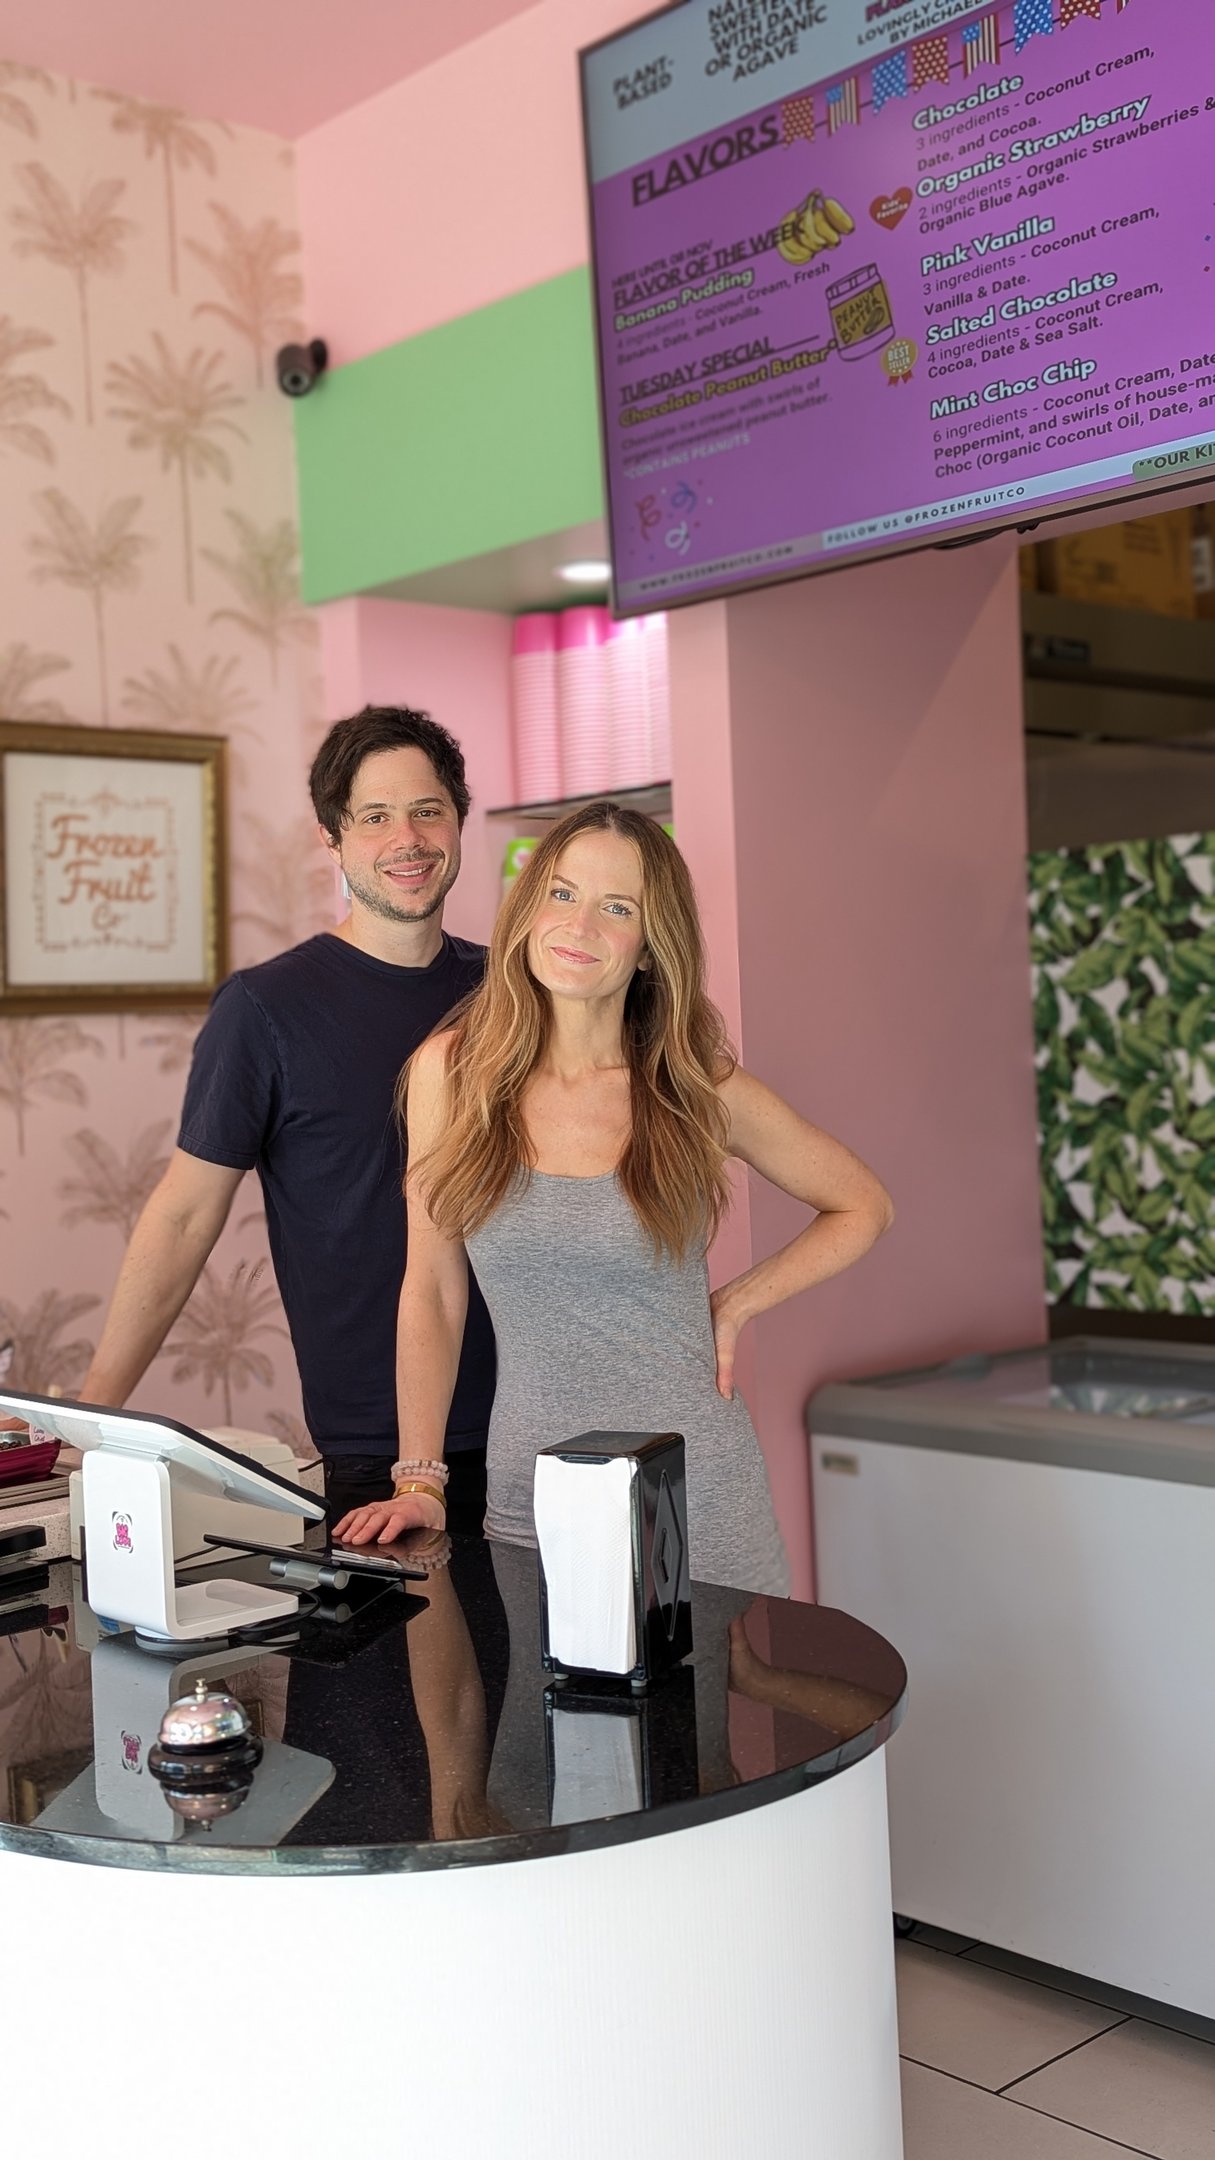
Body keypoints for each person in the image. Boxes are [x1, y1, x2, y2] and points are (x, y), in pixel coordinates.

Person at [334, 801, 892, 1593]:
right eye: (561, 894)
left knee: (717, 1681)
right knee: (537, 1680)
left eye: (617, 908)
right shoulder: (450, 1074)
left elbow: (862, 1203)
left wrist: (735, 1304)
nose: (579, 925)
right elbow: (431, 1288)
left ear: (650, 947)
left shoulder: (694, 1088)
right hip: (532, 1496)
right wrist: (419, 1478)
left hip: (695, 1492)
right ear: (528, 910)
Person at [75, 706, 495, 1533]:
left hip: (546, 1414)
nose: (407, 839)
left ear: (458, 822)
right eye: (374, 817)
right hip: (378, 1443)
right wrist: (92, 1414)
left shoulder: (513, 994)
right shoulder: (265, 1009)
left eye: (427, 811)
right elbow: (184, 1216)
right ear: (330, 838)